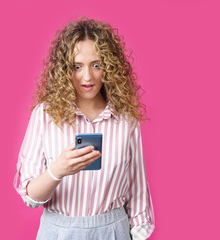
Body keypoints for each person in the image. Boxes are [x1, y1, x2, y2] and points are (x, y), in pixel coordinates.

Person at [14, 16, 155, 240]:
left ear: (109, 67)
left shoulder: (127, 121)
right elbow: (30, 197)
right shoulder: (44, 115)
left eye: (96, 65)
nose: (87, 76)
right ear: (63, 70)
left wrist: (138, 233)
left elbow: (137, 192)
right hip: (58, 232)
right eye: (77, 66)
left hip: (113, 231)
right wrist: (57, 170)